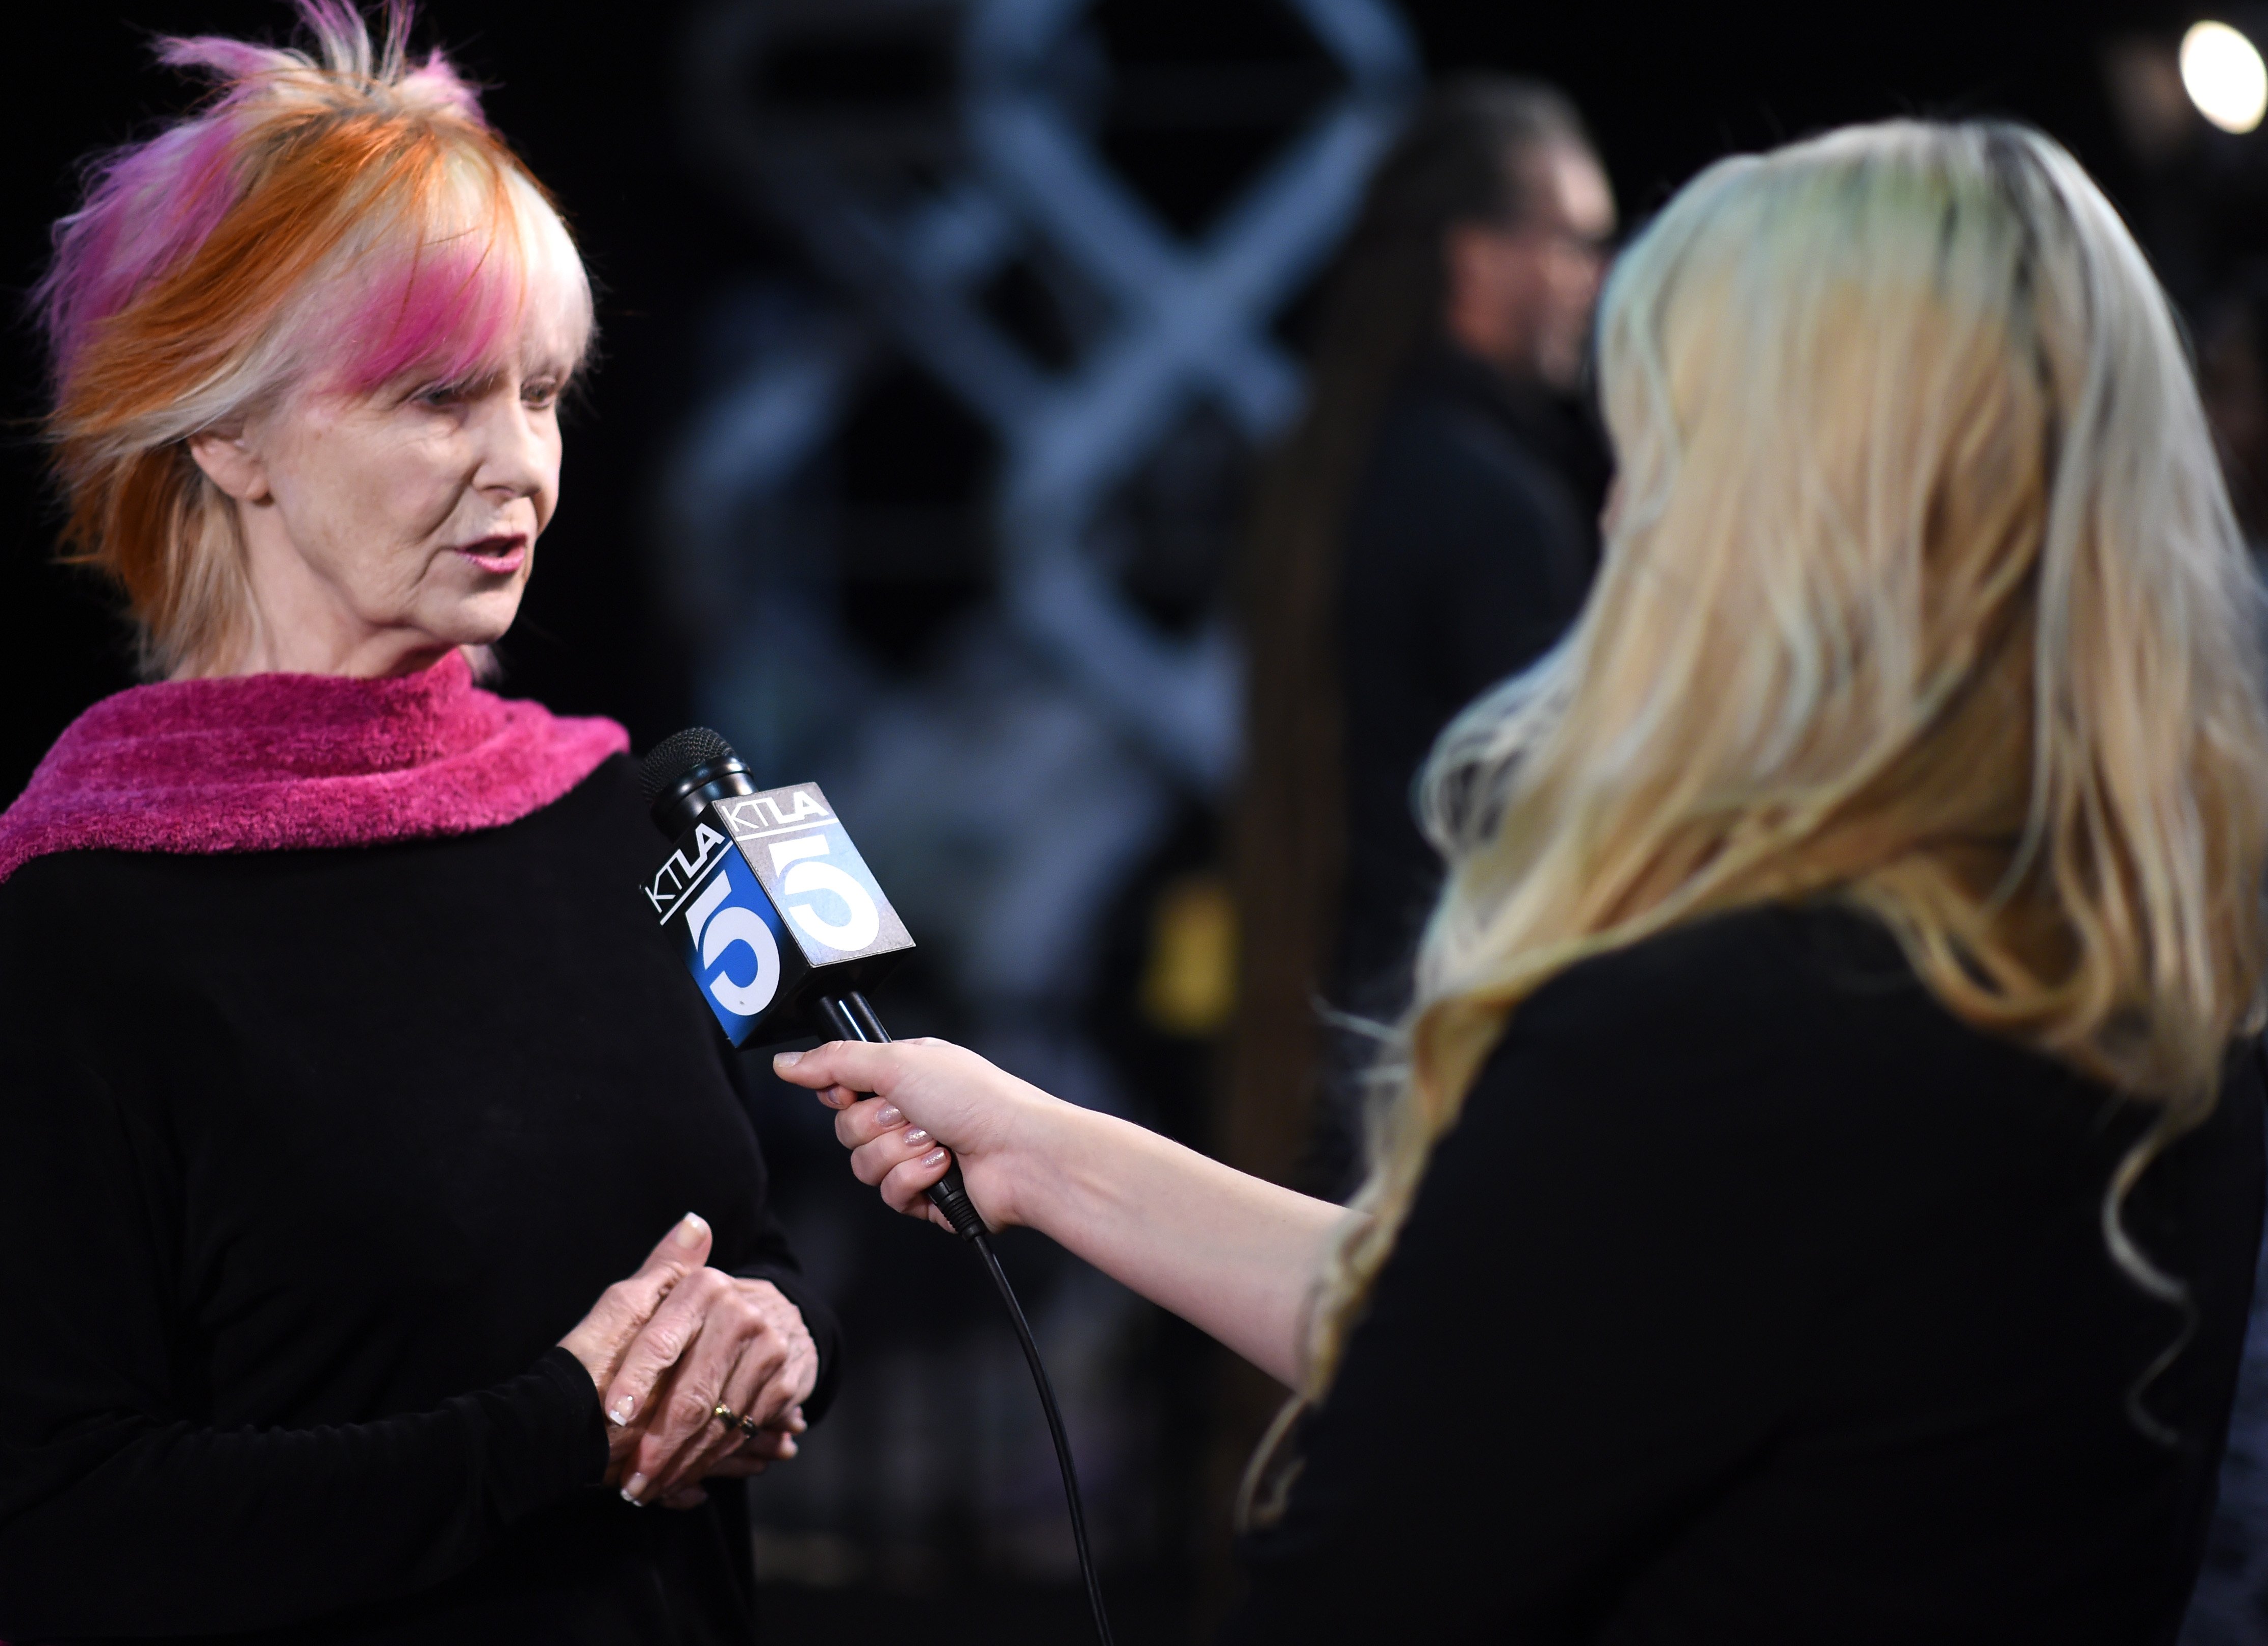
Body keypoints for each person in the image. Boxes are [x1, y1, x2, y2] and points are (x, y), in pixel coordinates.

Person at [779, 120, 2268, 1642]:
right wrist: (1046, 1157)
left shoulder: (1719, 1027)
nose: (1616, 516)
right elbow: (1519, 1331)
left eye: (1663, 448)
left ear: (1807, 518)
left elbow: (1381, 1539)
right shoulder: (2152, 977)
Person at [0, 0, 833, 1643]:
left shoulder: (606, 815)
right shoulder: (88, 910)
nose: (521, 469)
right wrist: (556, 1435)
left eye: (540, 394)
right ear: (224, 430)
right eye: (436, 401)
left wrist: (778, 1341)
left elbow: (741, 1246)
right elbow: (59, 1536)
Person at [1230, 75, 1618, 1199]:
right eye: (1575, 241)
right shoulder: (1492, 503)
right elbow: (1538, 824)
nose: (1595, 281)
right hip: (1442, 1059)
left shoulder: (1316, 470)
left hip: (1321, 1035)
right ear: (1476, 255)